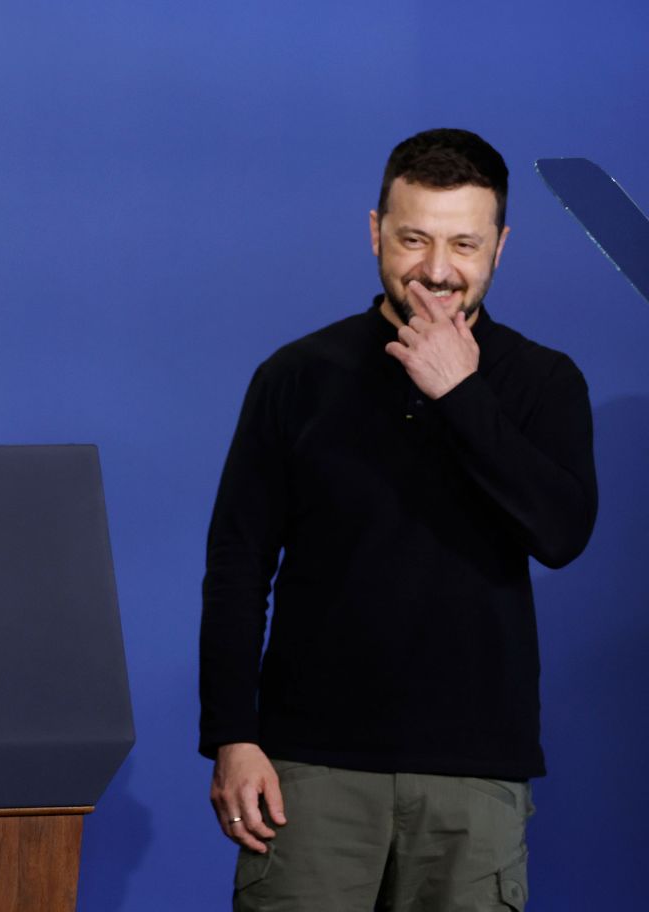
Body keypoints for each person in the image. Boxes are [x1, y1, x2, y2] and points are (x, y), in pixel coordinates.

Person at [199, 128, 597, 911]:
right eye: (414, 238)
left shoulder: (544, 381)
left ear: (500, 246)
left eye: (464, 244)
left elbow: (561, 534)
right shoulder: (295, 376)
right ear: (376, 229)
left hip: (476, 775)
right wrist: (232, 737)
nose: (438, 270)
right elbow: (238, 564)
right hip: (308, 770)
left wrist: (461, 395)